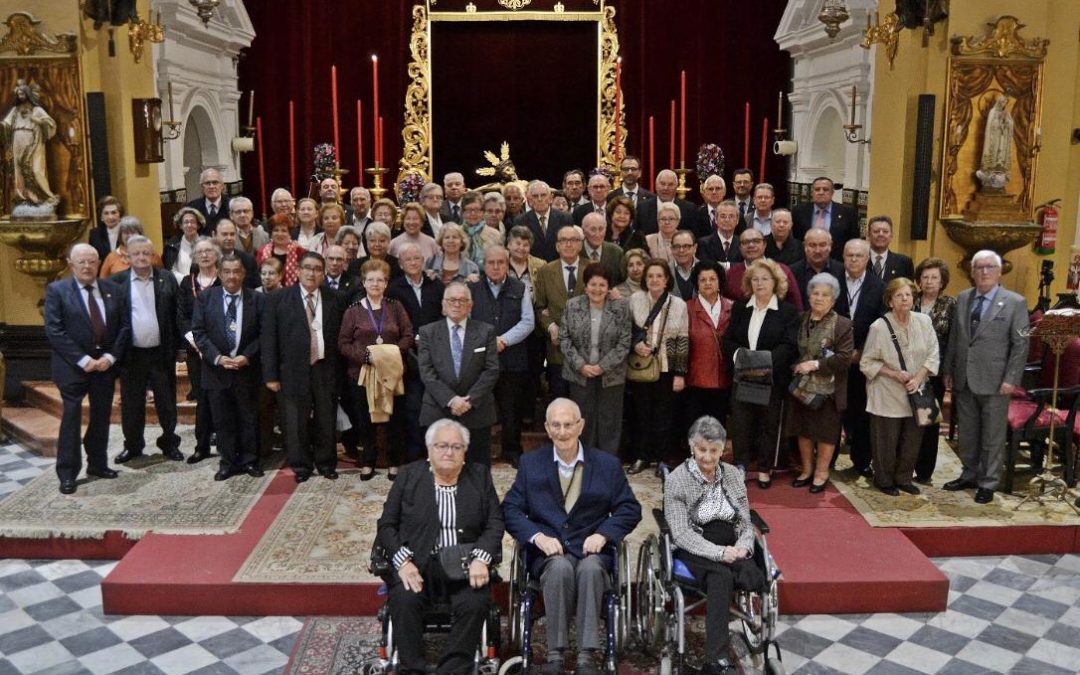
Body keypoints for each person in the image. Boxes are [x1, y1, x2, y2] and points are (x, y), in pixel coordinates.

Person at [503, 398, 642, 675]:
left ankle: (586, 656)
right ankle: (555, 653)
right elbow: (510, 509)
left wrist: (604, 534)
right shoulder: (531, 464)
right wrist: (537, 537)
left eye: (568, 425)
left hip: (593, 550)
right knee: (560, 568)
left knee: (591, 569)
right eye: (556, 425)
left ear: (581, 426)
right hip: (549, 554)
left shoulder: (607, 464)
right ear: (547, 427)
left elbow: (630, 508)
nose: (563, 431)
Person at [377, 418, 503, 675]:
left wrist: (481, 558)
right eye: (442, 446)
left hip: (464, 564)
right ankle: (412, 668)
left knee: (476, 602)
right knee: (403, 598)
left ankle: (454, 669)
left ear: (465, 452)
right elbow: (387, 525)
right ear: (429, 450)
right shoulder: (409, 476)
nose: (449, 452)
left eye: (456, 447)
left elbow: (495, 522)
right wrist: (403, 562)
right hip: (418, 563)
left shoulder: (479, 476)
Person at [663, 416, 763, 675]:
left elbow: (743, 519)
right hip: (695, 546)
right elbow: (681, 533)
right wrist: (719, 553)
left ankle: (720, 655)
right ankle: (715, 660)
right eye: (702, 450)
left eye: (714, 451)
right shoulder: (677, 479)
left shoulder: (732, 475)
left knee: (751, 571)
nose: (707, 457)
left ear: (723, 449)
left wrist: (743, 546)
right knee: (720, 575)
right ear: (691, 447)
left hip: (730, 541)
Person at [942, 251, 1029, 504]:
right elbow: (956, 339)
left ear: (999, 271)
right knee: (967, 433)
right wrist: (948, 370)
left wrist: (1011, 378)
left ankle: (988, 482)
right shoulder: (963, 298)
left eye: (990, 267)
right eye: (978, 267)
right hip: (964, 377)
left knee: (992, 435)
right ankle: (969, 474)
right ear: (972, 271)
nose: (984, 272)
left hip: (996, 381)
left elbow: (1020, 345)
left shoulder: (1015, 302)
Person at [44, 244, 130, 495]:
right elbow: (54, 331)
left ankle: (98, 464)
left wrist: (111, 357)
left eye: (92, 261)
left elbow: (124, 326)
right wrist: (83, 360)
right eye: (81, 261)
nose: (87, 266)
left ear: (98, 262)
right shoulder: (57, 290)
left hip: (104, 365)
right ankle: (68, 473)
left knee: (101, 416)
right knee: (71, 418)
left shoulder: (112, 289)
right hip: (72, 368)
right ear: (71, 264)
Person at [262, 251, 343, 482]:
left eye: (317, 268)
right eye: (307, 267)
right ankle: (301, 465)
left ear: (323, 273)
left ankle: (326, 462)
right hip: (291, 371)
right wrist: (271, 375)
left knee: (326, 418)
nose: (312, 272)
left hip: (325, 369)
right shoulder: (278, 299)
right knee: (294, 421)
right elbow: (269, 339)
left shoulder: (335, 298)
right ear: (297, 271)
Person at [723, 258, 799, 488]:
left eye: (764, 279)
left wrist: (762, 362)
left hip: (772, 377)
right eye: (754, 279)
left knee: (769, 423)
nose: (759, 283)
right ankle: (741, 465)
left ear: (775, 282)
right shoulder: (740, 307)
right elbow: (729, 340)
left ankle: (765, 468)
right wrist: (742, 359)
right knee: (741, 422)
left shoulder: (787, 311)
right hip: (743, 375)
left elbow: (788, 345)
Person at [861, 278, 940, 496]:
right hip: (886, 392)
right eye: (899, 295)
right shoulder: (879, 327)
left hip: (917, 391)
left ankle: (904, 477)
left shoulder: (924, 322)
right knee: (886, 440)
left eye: (908, 295)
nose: (904, 299)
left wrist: (920, 377)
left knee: (912, 440)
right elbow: (866, 362)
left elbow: (933, 353)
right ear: (890, 301)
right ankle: (884, 479)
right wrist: (894, 374)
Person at [191, 255, 266, 481]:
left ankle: (249, 460)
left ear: (243, 274)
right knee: (222, 420)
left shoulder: (258, 299)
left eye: (236, 271)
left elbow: (264, 334)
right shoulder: (205, 298)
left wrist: (246, 356)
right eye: (227, 272)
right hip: (216, 371)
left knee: (248, 418)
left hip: (246, 370)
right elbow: (199, 333)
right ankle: (227, 462)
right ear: (220, 274)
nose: (232, 276)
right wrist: (218, 358)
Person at [109, 235, 183, 464]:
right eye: (136, 254)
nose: (141, 257)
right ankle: (132, 446)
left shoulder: (167, 278)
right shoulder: (117, 282)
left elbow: (176, 315)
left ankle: (170, 443)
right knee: (131, 405)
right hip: (131, 355)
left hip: (161, 353)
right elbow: (112, 321)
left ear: (152, 255)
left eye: (146, 253)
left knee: (167, 402)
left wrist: (179, 348)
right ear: (128, 257)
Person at [340, 259, 414, 480]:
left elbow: (408, 334)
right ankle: (368, 462)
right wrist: (365, 356)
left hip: (392, 373)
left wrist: (390, 354)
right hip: (362, 374)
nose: (375, 284)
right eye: (370, 280)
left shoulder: (395, 306)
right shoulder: (353, 311)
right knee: (365, 420)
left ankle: (394, 462)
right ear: (363, 282)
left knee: (394, 419)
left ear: (386, 283)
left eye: (380, 280)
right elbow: (342, 343)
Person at [418, 282, 501, 466]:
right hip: (438, 410)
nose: (457, 304)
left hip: (476, 411)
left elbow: (491, 369)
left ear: (470, 306)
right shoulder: (427, 332)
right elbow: (426, 371)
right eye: (452, 300)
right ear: (443, 305)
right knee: (440, 467)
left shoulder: (485, 331)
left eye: (462, 300)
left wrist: (469, 400)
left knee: (478, 469)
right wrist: (451, 400)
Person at [468, 246, 535, 467]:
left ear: (507, 265)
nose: (496, 267)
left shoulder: (520, 287)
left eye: (500, 263)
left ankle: (512, 450)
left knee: (511, 410)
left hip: (512, 359)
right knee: (480, 409)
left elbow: (528, 322)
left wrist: (503, 340)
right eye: (491, 263)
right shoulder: (472, 288)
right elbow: (464, 322)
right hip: (480, 361)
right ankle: (480, 452)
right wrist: (487, 343)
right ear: (483, 265)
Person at [787, 273, 853, 493]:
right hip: (802, 389)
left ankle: (821, 472)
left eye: (825, 294)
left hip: (829, 390)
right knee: (803, 430)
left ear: (833, 299)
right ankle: (806, 470)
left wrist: (814, 365)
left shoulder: (842, 324)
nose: (819, 298)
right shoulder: (800, 319)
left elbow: (844, 358)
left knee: (825, 432)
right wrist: (795, 365)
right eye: (815, 293)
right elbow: (791, 349)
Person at [560, 262, 631, 455]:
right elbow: (564, 338)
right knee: (583, 419)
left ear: (609, 287)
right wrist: (581, 365)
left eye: (602, 285)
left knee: (610, 420)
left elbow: (625, 342)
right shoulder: (572, 305)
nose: (597, 289)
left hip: (611, 375)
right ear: (585, 285)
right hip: (579, 373)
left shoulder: (621, 307)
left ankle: (607, 462)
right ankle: (583, 458)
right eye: (593, 284)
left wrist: (602, 366)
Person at [626, 259, 689, 474]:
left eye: (659, 276)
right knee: (641, 414)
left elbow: (682, 339)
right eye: (650, 276)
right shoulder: (634, 299)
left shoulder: (678, 304)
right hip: (641, 366)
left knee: (664, 416)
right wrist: (636, 345)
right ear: (645, 279)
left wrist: (680, 373)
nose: (654, 280)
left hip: (667, 368)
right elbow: (628, 329)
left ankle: (663, 459)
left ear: (666, 280)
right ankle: (642, 456)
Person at [388, 243, 446, 462]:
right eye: (408, 260)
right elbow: (392, 322)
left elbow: (445, 314)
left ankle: (435, 452)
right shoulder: (394, 289)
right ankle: (414, 455)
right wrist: (412, 339)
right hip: (408, 358)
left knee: (436, 406)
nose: (413, 262)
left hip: (435, 355)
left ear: (423, 261)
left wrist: (431, 337)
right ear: (401, 265)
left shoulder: (436, 285)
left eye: (416, 258)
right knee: (412, 408)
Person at [835, 238, 885, 478]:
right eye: (849, 255)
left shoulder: (879, 286)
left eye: (859, 256)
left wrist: (862, 351)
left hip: (864, 360)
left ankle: (861, 460)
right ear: (843, 257)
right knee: (833, 411)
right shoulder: (832, 281)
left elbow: (881, 323)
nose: (854, 260)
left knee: (861, 412)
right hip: (835, 359)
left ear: (867, 259)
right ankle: (829, 459)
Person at [913, 257, 956, 483]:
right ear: (919, 280)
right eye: (925, 277)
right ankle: (904, 464)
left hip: (934, 373)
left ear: (942, 282)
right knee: (908, 420)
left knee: (929, 422)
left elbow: (953, 340)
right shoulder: (910, 300)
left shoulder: (950, 304)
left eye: (934, 278)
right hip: (909, 371)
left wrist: (948, 370)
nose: (929, 282)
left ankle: (924, 471)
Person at [178, 238, 221, 463]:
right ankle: (201, 445)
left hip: (220, 350)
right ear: (195, 257)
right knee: (202, 399)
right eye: (200, 252)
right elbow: (182, 317)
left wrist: (213, 348)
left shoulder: (223, 281)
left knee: (222, 397)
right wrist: (198, 344)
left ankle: (225, 443)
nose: (204, 255)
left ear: (216, 255)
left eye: (208, 251)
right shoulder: (187, 283)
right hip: (197, 353)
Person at [533, 226, 587, 398]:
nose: (568, 244)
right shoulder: (545, 271)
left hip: (586, 348)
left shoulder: (593, 268)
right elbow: (540, 307)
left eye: (574, 240)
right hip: (558, 350)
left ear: (580, 245)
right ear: (557, 246)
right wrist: (550, 327)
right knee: (560, 397)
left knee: (583, 400)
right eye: (564, 240)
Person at [685, 261, 735, 426]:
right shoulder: (686, 308)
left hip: (725, 378)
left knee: (718, 426)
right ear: (696, 284)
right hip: (695, 379)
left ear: (720, 282)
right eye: (703, 280)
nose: (708, 283)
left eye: (712, 279)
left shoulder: (733, 308)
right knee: (696, 427)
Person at [3, 81, 57, 208]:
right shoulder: (15, 110)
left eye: (22, 93)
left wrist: (36, 119)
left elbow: (51, 123)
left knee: (35, 168)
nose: (21, 96)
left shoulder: (36, 109)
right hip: (17, 139)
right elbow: (6, 123)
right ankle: (23, 197)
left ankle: (43, 196)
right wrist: (4, 126)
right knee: (18, 169)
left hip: (32, 140)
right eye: (19, 94)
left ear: (27, 94)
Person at [723, 229, 803, 310]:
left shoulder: (782, 270)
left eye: (756, 241)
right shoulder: (731, 274)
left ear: (764, 244)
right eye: (745, 242)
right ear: (740, 247)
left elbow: (796, 306)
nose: (751, 245)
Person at [791, 177, 859, 258]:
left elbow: (854, 242)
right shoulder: (799, 211)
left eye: (825, 189)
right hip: (805, 262)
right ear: (812, 192)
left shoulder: (848, 213)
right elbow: (794, 239)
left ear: (832, 193)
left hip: (837, 264)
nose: (821, 192)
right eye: (817, 189)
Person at [516, 179, 573, 261]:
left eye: (543, 195)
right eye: (535, 196)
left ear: (550, 198)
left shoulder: (565, 218)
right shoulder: (520, 221)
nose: (539, 199)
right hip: (533, 268)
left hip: (558, 266)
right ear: (529, 199)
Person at [789, 228, 844, 302]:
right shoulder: (792, 272)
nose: (817, 250)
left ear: (830, 245)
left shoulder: (842, 271)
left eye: (822, 245)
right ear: (804, 246)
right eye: (812, 245)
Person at [636, 169, 696, 235]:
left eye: (670, 184)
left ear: (676, 187)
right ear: (656, 185)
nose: (666, 188)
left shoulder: (689, 209)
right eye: (662, 184)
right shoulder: (643, 208)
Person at [258, 214, 307, 287]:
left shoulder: (300, 252)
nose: (279, 234)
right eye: (276, 230)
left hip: (293, 294)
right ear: (271, 233)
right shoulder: (262, 251)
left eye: (284, 231)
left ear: (289, 233)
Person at [212, 218, 260, 289]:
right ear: (214, 235)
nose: (229, 238)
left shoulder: (248, 260)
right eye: (224, 234)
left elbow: (256, 287)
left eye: (232, 234)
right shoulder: (208, 260)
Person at [459, 190, 503, 267]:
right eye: (469, 210)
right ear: (462, 212)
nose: (473, 214)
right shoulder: (455, 233)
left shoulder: (495, 235)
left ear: (483, 212)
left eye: (476, 210)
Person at [866, 215, 915, 282]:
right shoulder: (859, 260)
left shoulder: (904, 263)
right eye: (876, 231)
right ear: (868, 235)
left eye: (885, 231)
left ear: (891, 236)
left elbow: (909, 290)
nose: (881, 234)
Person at [163, 207, 206, 282]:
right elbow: (172, 271)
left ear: (198, 225)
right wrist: (187, 281)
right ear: (180, 226)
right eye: (186, 222)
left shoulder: (207, 244)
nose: (189, 225)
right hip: (181, 287)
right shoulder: (171, 246)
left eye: (193, 222)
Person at [580, 211, 624, 283]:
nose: (597, 234)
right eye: (593, 229)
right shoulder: (576, 250)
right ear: (584, 231)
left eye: (601, 229)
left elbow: (621, 280)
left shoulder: (616, 252)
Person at [697, 201, 743, 268]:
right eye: (723, 216)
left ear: (737, 220)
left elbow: (745, 266)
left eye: (731, 216)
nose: (727, 220)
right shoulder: (704, 243)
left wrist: (727, 265)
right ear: (715, 219)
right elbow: (705, 266)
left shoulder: (742, 243)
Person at [185, 168, 230, 234]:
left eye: (215, 182)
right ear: (202, 187)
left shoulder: (231, 206)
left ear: (222, 186)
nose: (211, 186)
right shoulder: (192, 207)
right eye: (207, 183)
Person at [692, 175, 729, 241]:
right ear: (705, 192)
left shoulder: (734, 214)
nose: (714, 192)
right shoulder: (696, 215)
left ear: (724, 191)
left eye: (718, 188)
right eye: (710, 189)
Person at [88, 196, 124, 261]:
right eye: (106, 213)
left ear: (120, 214)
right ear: (101, 217)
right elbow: (93, 258)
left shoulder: (127, 231)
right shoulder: (95, 234)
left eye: (113, 213)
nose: (110, 217)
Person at [669, 230, 701, 300]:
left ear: (695, 248)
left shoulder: (705, 269)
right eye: (677, 246)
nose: (681, 250)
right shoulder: (665, 271)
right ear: (671, 249)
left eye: (686, 246)